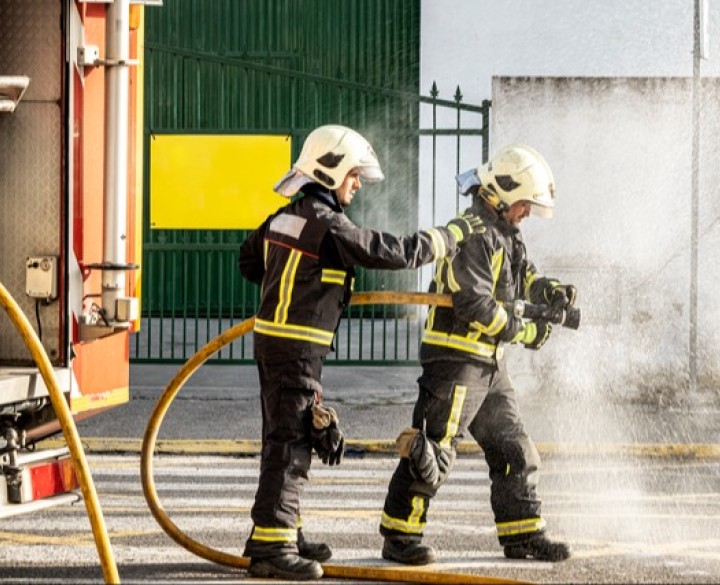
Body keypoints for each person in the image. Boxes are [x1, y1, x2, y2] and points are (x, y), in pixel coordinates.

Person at [238, 124, 482, 581]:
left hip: (274, 342)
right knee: (291, 447)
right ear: (328, 172)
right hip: (298, 348)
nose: (357, 184)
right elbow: (392, 252)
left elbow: (248, 260)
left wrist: (293, 288)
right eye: (353, 175)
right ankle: (272, 547)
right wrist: (448, 237)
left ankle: (282, 530)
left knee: (284, 437)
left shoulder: (284, 217)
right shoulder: (329, 226)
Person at [378, 144, 576, 565]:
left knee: (514, 449)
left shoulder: (505, 233)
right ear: (504, 194)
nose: (527, 212)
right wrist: (527, 331)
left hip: (489, 364)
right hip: (456, 362)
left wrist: (549, 291)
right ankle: (400, 536)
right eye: (525, 204)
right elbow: (475, 305)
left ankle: (522, 533)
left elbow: (523, 278)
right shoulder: (472, 234)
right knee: (433, 450)